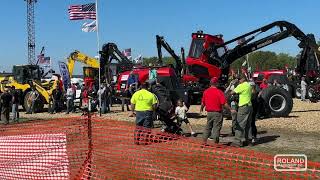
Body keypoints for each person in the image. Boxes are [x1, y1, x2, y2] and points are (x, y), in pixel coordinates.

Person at [200, 77, 234, 145]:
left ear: (211, 83)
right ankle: (215, 142)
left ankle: (204, 141)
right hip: (217, 113)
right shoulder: (219, 92)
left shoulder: (206, 91)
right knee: (216, 127)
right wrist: (231, 109)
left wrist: (201, 109)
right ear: (216, 83)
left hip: (209, 113)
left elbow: (203, 103)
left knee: (208, 127)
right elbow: (224, 103)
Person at [230, 75, 253, 147]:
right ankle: (249, 141)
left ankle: (237, 141)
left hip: (243, 106)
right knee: (248, 125)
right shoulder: (249, 85)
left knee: (239, 123)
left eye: (239, 79)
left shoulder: (241, 86)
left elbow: (232, 92)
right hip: (249, 106)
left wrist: (233, 84)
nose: (239, 80)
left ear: (243, 79)